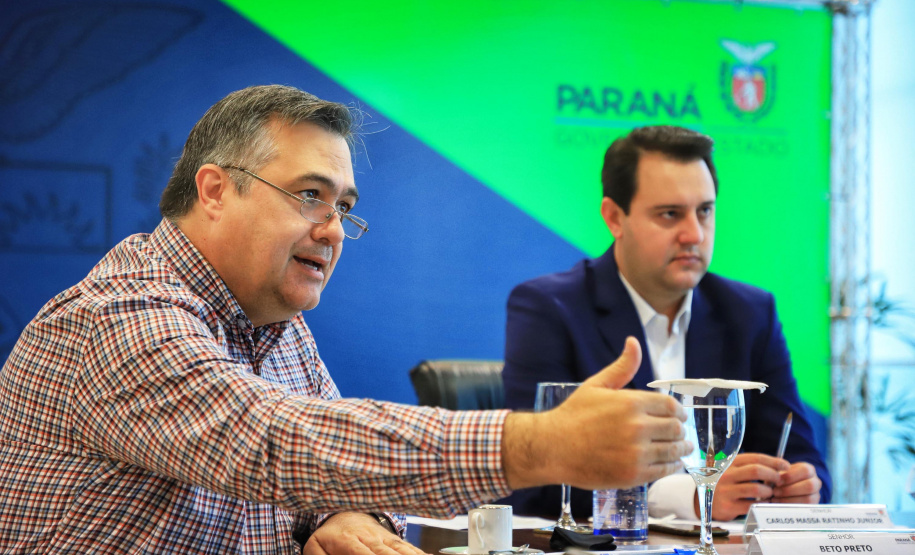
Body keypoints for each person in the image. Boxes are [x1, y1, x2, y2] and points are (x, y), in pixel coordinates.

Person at [0, 86, 693, 554]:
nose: (332, 231)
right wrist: (538, 443)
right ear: (214, 190)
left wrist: (341, 514)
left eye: (343, 206)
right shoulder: (120, 315)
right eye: (309, 195)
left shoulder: (276, 324)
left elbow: (328, 474)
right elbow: (271, 441)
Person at [501, 125, 831, 522]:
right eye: (670, 214)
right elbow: (538, 481)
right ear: (614, 217)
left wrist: (802, 486)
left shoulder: (749, 312)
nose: (694, 234)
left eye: (705, 211)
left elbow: (803, 455)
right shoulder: (550, 308)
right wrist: (689, 497)